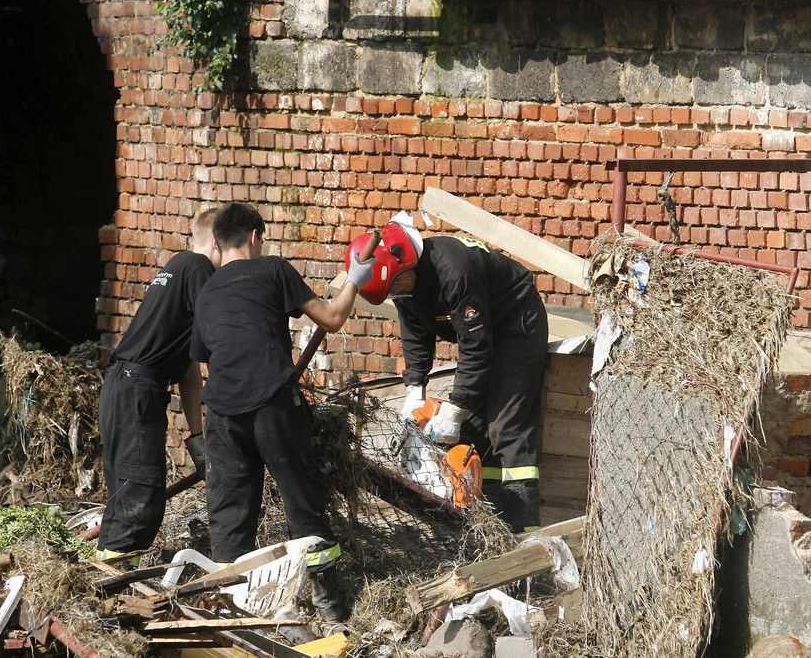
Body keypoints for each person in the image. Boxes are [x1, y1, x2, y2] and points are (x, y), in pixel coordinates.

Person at [190, 201, 373, 621]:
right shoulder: (273, 269)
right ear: (255, 236)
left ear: (217, 242)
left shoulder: (206, 292)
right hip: (272, 404)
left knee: (230, 519)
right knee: (302, 504)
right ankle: (331, 612)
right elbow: (331, 317)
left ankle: (233, 613)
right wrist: (356, 279)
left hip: (222, 415)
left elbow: (205, 360)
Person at [346, 219, 548, 533]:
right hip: (481, 331)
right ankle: (493, 526)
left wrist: (453, 410)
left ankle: (524, 530)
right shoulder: (406, 282)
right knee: (476, 431)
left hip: (515, 322)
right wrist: (414, 387)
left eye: (397, 286)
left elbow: (476, 348)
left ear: (407, 264)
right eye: (392, 293)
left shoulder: (455, 270)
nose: (398, 293)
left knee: (507, 423)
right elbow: (414, 333)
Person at [96, 207, 221, 562]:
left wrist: (197, 437)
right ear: (216, 243)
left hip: (125, 388)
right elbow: (218, 338)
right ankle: (114, 590)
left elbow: (189, 368)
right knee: (139, 498)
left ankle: (108, 580)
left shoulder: (180, 270)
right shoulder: (197, 268)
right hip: (137, 388)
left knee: (128, 496)